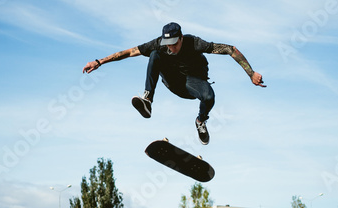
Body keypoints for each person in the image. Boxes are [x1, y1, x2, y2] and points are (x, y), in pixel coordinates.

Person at [83, 22, 265, 145]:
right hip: (172, 81)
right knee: (154, 54)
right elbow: (130, 52)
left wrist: (250, 73)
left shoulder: (195, 43)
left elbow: (229, 49)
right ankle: (147, 100)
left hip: (192, 83)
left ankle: (200, 121)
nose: (171, 48)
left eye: (175, 44)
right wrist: (99, 62)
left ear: (182, 38)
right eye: (168, 44)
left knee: (209, 96)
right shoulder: (159, 44)